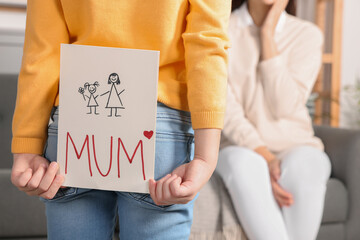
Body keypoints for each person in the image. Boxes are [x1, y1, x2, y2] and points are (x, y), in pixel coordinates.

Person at [11, 1, 231, 239]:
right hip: (158, 129)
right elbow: (208, 42)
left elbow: (42, 50)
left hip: (76, 125)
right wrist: (205, 156)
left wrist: (27, 145)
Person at [216, 0, 331, 239]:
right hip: (238, 146)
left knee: (308, 164)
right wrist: (265, 156)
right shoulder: (220, 31)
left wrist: (267, 34)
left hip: (295, 144)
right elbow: (224, 108)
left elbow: (284, 106)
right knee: (243, 163)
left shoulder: (306, 35)